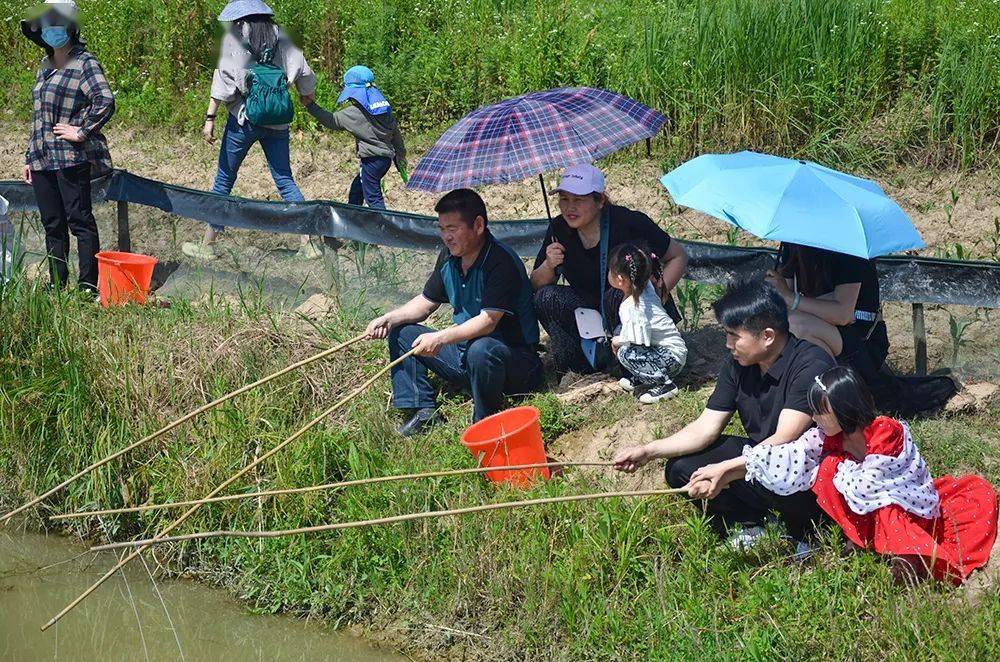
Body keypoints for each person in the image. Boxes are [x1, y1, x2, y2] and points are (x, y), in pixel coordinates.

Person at [613, 279, 835, 550]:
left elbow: (785, 440)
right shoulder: (740, 364)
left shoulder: (810, 364)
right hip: (762, 459)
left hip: (805, 473)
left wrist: (726, 470)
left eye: (734, 335)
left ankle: (807, 535)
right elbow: (706, 427)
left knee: (774, 471)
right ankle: (753, 525)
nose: (728, 344)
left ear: (767, 336)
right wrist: (648, 451)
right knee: (681, 469)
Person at [739, 366, 997, 583]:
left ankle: (907, 557)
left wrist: (841, 469)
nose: (815, 418)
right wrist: (750, 461)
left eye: (821, 412)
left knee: (877, 497)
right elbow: (796, 451)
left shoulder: (884, 430)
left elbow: (878, 482)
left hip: (904, 502)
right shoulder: (829, 436)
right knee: (826, 470)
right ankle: (862, 539)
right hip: (871, 500)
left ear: (843, 409)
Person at [366, 189, 543, 436]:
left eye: (453, 228)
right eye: (442, 229)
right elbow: (427, 302)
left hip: (513, 361)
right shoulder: (449, 257)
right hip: (464, 355)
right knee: (403, 332)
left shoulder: (501, 262)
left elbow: (487, 322)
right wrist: (390, 318)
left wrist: (440, 337)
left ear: (478, 225)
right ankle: (423, 412)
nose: (446, 237)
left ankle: (485, 421)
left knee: (482, 349)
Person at [182, 0, 320, 262]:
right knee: (285, 179)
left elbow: (222, 83)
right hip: (278, 120)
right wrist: (305, 95)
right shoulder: (284, 37)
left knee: (224, 179)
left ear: (239, 18)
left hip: (244, 120)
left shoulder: (233, 39)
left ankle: (208, 245)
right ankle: (308, 243)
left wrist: (209, 118)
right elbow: (305, 74)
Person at [531, 163, 688, 376]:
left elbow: (678, 256)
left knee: (619, 293)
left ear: (600, 201)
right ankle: (575, 370)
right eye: (564, 199)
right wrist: (549, 264)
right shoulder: (558, 228)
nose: (569, 207)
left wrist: (658, 293)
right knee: (546, 297)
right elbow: (536, 284)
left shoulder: (630, 222)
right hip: (589, 310)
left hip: (630, 306)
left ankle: (629, 365)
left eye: (578, 200)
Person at [20, 1, 115, 295]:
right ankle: (56, 283)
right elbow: (39, 116)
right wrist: (29, 156)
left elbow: (105, 100)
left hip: (69, 157)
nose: (51, 29)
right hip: (42, 157)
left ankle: (87, 284)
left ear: (71, 27)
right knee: (52, 224)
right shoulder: (45, 67)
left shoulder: (85, 62)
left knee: (80, 220)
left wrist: (82, 130)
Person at [303, 65, 407, 210]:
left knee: (373, 198)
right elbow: (396, 134)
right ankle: (352, 218)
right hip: (384, 160)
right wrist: (400, 156)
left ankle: (383, 228)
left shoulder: (355, 113)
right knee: (357, 191)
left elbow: (332, 120)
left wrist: (310, 106)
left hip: (371, 161)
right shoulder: (383, 110)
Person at [608, 244, 687, 404]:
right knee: (627, 346)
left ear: (620, 280)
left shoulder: (633, 306)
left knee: (625, 352)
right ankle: (643, 377)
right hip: (674, 352)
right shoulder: (647, 287)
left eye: (610, 271)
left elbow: (637, 337)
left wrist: (617, 340)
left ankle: (664, 384)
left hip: (671, 357)